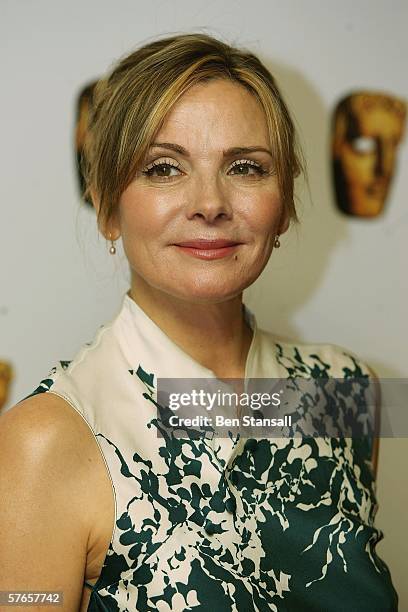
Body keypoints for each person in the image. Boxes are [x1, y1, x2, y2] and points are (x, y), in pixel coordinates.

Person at [0, 33, 398, 611]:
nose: (209, 202)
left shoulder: (347, 391)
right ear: (108, 207)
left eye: (245, 167)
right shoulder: (46, 443)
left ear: (283, 204)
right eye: (164, 168)